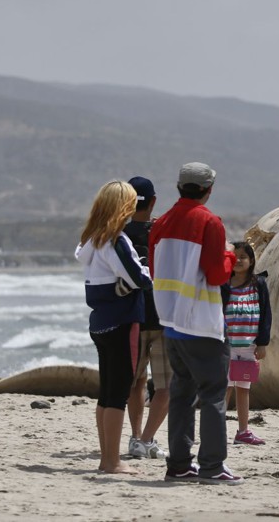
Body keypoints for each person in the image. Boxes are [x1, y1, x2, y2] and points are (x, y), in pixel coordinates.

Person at [149, 162, 243, 485]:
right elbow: (217, 274)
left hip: (171, 322)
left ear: (179, 187)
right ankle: (213, 465)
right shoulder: (210, 222)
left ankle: (178, 465)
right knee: (214, 394)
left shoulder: (160, 223)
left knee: (182, 394)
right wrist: (230, 256)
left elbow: (153, 269)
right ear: (208, 190)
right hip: (202, 322)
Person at [77, 180, 153, 474]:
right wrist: (148, 271)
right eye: (132, 202)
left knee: (108, 391)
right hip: (122, 322)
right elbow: (139, 279)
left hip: (100, 323)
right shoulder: (117, 240)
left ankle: (106, 458)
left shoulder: (91, 240)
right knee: (118, 392)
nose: (135, 206)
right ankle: (111, 461)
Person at [123, 176, 170, 460]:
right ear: (153, 201)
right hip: (164, 318)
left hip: (133, 319)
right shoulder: (163, 232)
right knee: (166, 385)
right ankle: (148, 438)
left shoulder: (117, 233)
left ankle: (134, 437)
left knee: (135, 382)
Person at [221, 241, 271, 446]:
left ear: (251, 261)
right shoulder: (224, 283)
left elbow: (266, 314)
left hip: (249, 344)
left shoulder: (258, 284)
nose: (239, 260)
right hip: (227, 344)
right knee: (225, 387)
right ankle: (217, 429)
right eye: (236, 256)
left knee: (243, 387)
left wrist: (262, 343)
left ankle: (243, 431)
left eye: (244, 257)